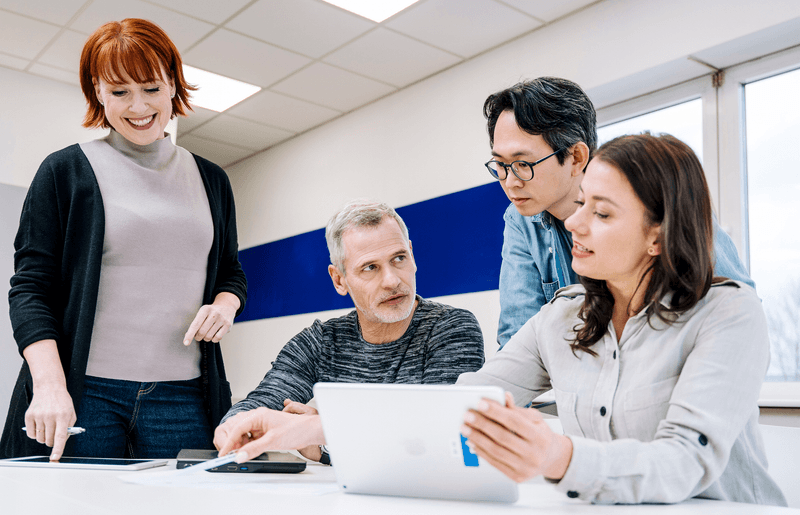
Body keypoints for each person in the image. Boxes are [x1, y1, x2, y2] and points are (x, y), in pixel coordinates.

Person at [457, 134, 786, 506]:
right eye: (580, 203)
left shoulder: (728, 313)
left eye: (601, 213)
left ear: (657, 237)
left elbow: (684, 461)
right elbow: (468, 401)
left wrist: (558, 456)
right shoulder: (561, 316)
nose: (573, 224)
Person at [1, 19, 247, 461]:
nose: (139, 106)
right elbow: (30, 288)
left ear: (173, 83)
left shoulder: (212, 180)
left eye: (152, 87)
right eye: (120, 92)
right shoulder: (64, 172)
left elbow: (230, 270)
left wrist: (225, 305)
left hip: (184, 398)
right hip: (85, 393)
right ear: (97, 90)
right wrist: (51, 384)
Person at [485, 77, 754, 348]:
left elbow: (735, 312)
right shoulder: (520, 218)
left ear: (576, 157)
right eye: (500, 164)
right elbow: (517, 342)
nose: (509, 182)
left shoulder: (655, 196)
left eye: (522, 163)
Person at [214, 199, 485, 463]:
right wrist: (237, 429)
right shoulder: (321, 341)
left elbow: (442, 432)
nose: (392, 281)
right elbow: (257, 408)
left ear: (412, 256)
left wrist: (321, 428)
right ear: (339, 279)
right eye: (370, 268)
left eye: (399, 258)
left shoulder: (451, 327)